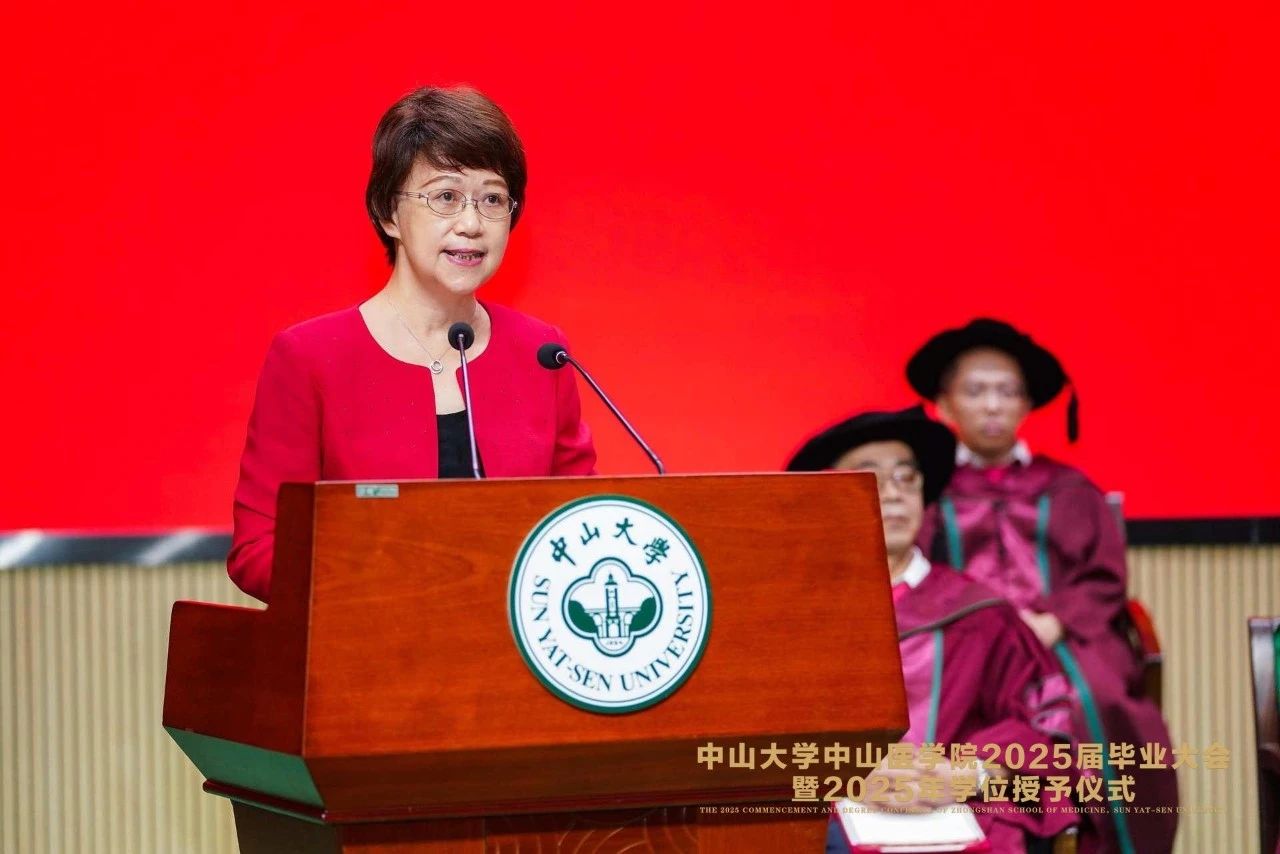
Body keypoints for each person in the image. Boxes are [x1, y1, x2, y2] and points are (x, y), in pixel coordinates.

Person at [228, 86, 596, 602]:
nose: (471, 223)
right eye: (445, 197)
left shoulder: (543, 353)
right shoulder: (311, 358)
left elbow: (580, 526)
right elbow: (259, 547)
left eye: (492, 199)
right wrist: (382, 586)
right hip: (369, 635)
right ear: (388, 214)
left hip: (510, 645)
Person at [908, 318, 1177, 853]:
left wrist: (1054, 621)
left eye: (1007, 392)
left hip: (1063, 637)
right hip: (967, 643)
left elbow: (1103, 575)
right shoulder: (929, 492)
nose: (992, 406)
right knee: (960, 710)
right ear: (944, 403)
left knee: (1091, 700)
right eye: (975, 391)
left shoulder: (1067, 487)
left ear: (1027, 405)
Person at [788, 406, 1078, 853]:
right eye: (870, 477)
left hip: (958, 812)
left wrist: (969, 773)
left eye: (907, 478)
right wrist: (842, 776)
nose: (893, 493)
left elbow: (1048, 727)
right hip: (827, 814)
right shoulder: (791, 616)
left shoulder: (981, 616)